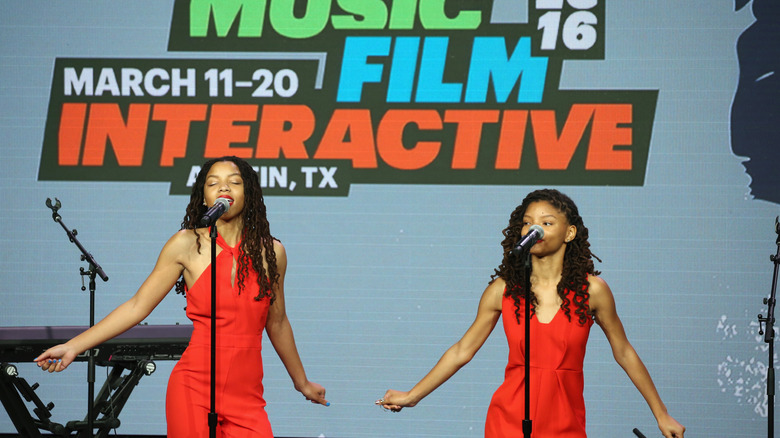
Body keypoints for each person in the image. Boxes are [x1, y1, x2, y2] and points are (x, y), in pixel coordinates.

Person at [35, 156, 328, 438]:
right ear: (204, 198)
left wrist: (301, 382)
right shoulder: (186, 244)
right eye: (213, 183)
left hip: (247, 396)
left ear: (248, 194)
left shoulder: (272, 252)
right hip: (194, 388)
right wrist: (74, 346)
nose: (223, 188)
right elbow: (137, 306)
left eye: (234, 182)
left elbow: (277, 323)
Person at [376, 189, 685, 438]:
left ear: (569, 233)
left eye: (547, 223)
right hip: (508, 419)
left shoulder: (593, 291)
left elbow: (624, 352)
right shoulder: (503, 290)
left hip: (564, 420)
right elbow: (461, 351)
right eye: (528, 223)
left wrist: (660, 413)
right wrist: (412, 395)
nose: (534, 229)